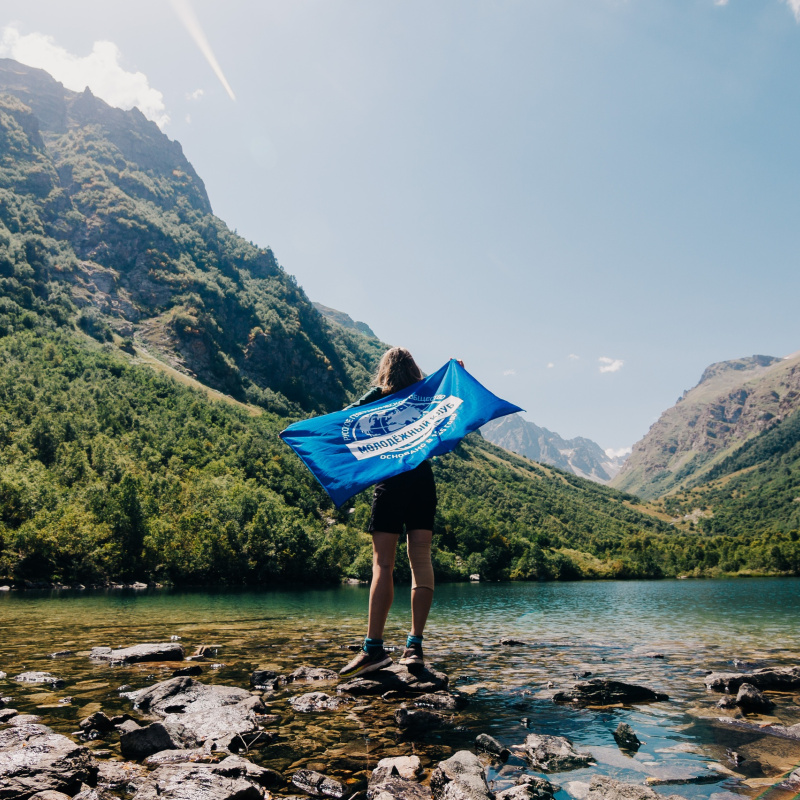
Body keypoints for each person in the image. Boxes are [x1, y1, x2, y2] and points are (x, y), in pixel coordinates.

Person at [339, 347, 440, 678]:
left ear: (384, 371)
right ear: (414, 369)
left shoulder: (378, 400)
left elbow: (345, 417)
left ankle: (374, 649)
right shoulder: (424, 395)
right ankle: (414, 647)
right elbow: (453, 392)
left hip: (392, 480)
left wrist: (377, 390)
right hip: (423, 480)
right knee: (420, 561)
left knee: (383, 563)